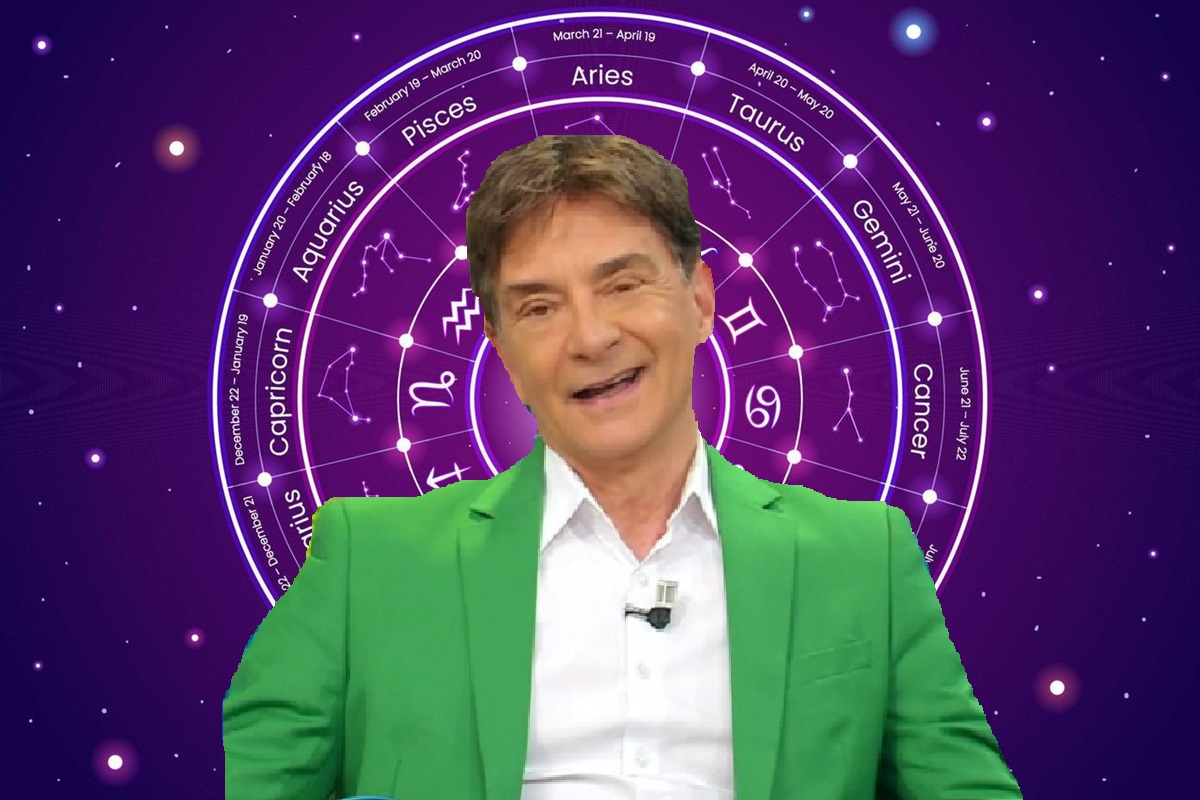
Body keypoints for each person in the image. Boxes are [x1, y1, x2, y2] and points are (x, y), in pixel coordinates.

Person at [223, 134, 1023, 800]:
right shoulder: (366, 557)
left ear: (700, 300)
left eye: (623, 285)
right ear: (501, 351)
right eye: (539, 308)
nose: (591, 337)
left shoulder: (867, 557)